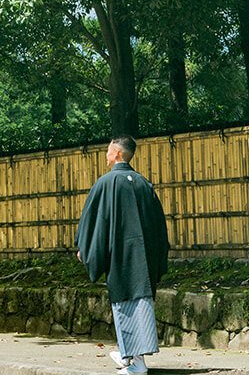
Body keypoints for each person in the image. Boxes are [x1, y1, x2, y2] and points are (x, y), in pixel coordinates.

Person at [76, 136, 169, 375]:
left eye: (108, 150)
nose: (106, 154)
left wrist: (86, 249)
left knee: (125, 304)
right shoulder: (143, 183)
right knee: (141, 303)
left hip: (120, 257)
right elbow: (159, 226)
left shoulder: (106, 183)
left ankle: (137, 364)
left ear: (117, 153)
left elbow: (93, 221)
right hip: (143, 257)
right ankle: (126, 353)